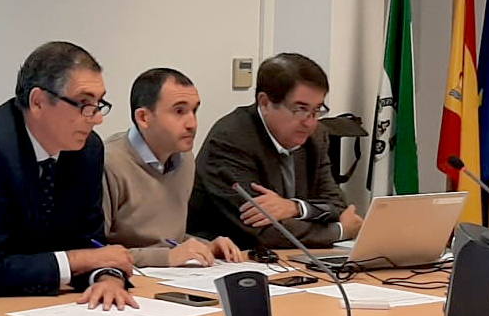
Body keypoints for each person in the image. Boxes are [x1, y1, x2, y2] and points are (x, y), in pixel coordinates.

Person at [0, 41, 136, 310]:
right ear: (38, 102)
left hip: (41, 305)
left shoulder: (87, 150)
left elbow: (92, 242)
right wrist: (85, 261)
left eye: (98, 104)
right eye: (83, 104)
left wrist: (106, 278)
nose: (96, 118)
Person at [188, 52, 365, 249]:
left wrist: (295, 207)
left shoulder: (316, 137)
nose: (310, 122)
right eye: (300, 109)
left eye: (317, 110)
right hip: (228, 260)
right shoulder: (230, 140)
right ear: (265, 103)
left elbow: (337, 205)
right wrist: (339, 231)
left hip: (290, 258)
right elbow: (264, 232)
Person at [102, 67, 245, 268]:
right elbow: (94, 251)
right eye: (179, 111)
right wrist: (166, 257)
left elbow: (165, 238)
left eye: (194, 110)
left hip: (169, 279)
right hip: (122, 281)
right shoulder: (109, 163)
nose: (192, 123)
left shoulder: (185, 159)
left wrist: (206, 246)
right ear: (144, 118)